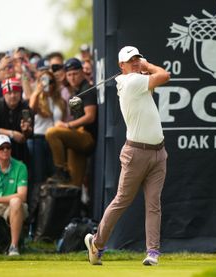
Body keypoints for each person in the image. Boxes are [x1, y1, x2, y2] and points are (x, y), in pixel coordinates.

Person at [84, 46, 170, 266]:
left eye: (137, 59)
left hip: (158, 152)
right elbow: (165, 75)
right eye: (131, 60)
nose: (135, 62)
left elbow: (151, 84)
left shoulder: (136, 82)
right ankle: (97, 243)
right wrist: (148, 66)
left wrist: (143, 69)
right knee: (122, 201)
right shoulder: (131, 82)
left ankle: (153, 252)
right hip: (136, 153)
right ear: (121, 66)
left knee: (153, 204)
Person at [45, 57, 97, 187]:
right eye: (69, 75)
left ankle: (61, 170)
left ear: (82, 72)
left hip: (86, 137)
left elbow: (90, 116)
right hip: (76, 138)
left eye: (75, 74)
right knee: (74, 185)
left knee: (52, 133)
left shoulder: (87, 88)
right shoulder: (75, 91)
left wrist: (67, 126)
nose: (72, 78)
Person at [28, 70, 67, 184]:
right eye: (43, 81)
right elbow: (32, 110)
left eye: (50, 81)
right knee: (39, 174)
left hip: (55, 139)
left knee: (54, 173)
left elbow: (62, 120)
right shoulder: (36, 97)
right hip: (38, 138)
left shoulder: (60, 101)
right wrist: (37, 92)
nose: (47, 84)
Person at [0, 78, 33, 164]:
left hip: (20, 151)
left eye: (15, 92)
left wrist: (26, 130)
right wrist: (12, 134)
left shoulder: (25, 108)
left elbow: (29, 133)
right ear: (4, 95)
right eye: (9, 93)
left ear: (20, 93)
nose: (13, 95)